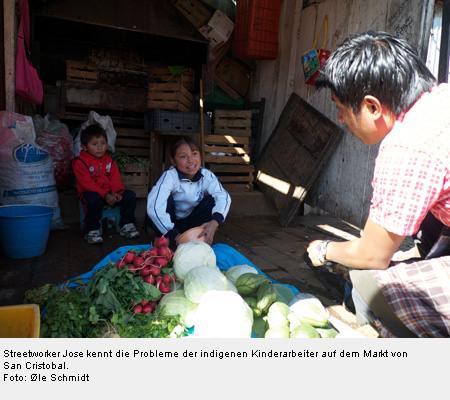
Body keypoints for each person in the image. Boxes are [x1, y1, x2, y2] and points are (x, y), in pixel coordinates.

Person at [306, 30, 450, 338]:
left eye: (340, 107)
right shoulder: (441, 97)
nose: (340, 118)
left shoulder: (407, 146)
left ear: (372, 107)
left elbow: (373, 255)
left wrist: (324, 248)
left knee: (369, 293)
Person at [147, 135, 231, 246]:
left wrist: (215, 222)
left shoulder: (206, 175)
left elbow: (223, 196)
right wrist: (175, 236)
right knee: (160, 199)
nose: (191, 160)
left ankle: (200, 234)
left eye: (194, 153)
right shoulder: (170, 176)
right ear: (173, 161)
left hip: (191, 222)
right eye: (183, 156)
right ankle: (164, 235)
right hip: (170, 222)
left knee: (211, 200)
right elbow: (154, 207)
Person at [72, 124, 140, 244]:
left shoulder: (109, 161)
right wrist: (105, 195)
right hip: (92, 194)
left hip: (110, 193)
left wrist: (116, 192)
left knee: (130, 196)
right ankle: (92, 230)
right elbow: (87, 183)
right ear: (84, 147)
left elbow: (115, 178)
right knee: (91, 199)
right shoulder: (80, 162)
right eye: (95, 144)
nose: (100, 147)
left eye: (103, 143)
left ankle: (126, 225)